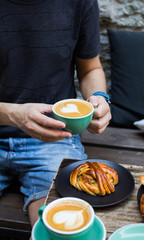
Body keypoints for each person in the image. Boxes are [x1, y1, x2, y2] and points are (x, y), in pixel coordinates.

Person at [0, 0, 111, 227]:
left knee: (63, 228)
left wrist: (100, 97)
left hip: (55, 139)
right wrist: (11, 114)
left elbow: (90, 68)